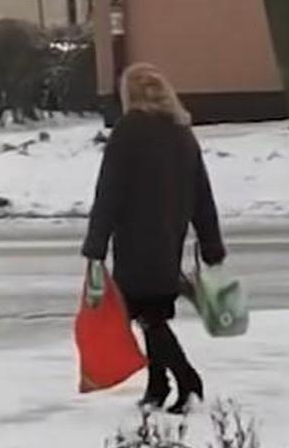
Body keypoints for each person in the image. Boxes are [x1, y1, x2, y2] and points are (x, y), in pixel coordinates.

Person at [82, 62, 225, 413]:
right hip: (169, 236)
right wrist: (211, 244)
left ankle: (188, 381)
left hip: (135, 239)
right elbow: (201, 193)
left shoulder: (129, 131)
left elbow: (109, 191)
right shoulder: (182, 133)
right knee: (154, 309)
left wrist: (95, 247)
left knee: (148, 315)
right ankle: (157, 385)